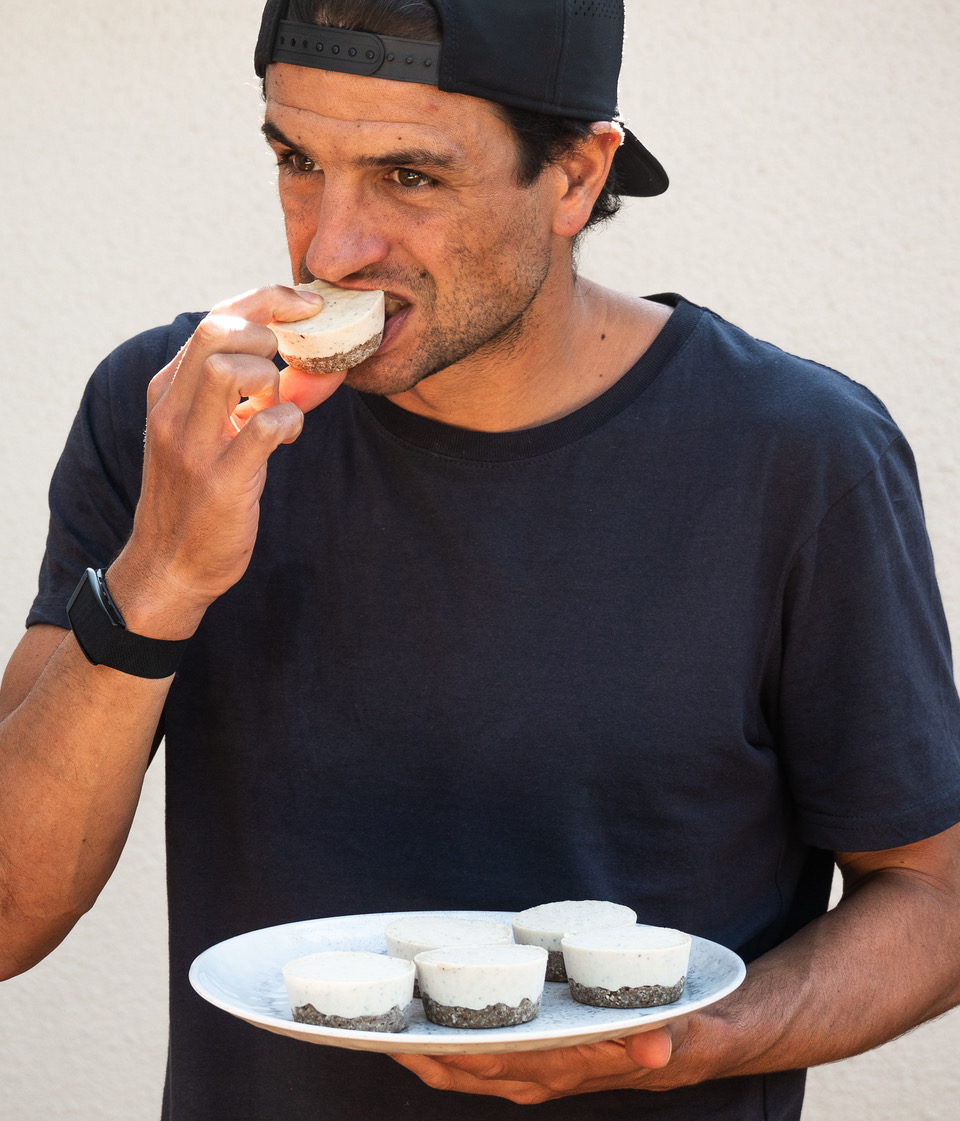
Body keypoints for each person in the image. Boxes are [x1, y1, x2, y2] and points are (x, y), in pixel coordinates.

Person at [2, 0, 960, 1118]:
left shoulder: (797, 455)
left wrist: (691, 1039)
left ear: (575, 177)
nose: (328, 246)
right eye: (298, 158)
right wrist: (159, 577)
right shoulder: (171, 412)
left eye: (410, 176)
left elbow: (934, 890)